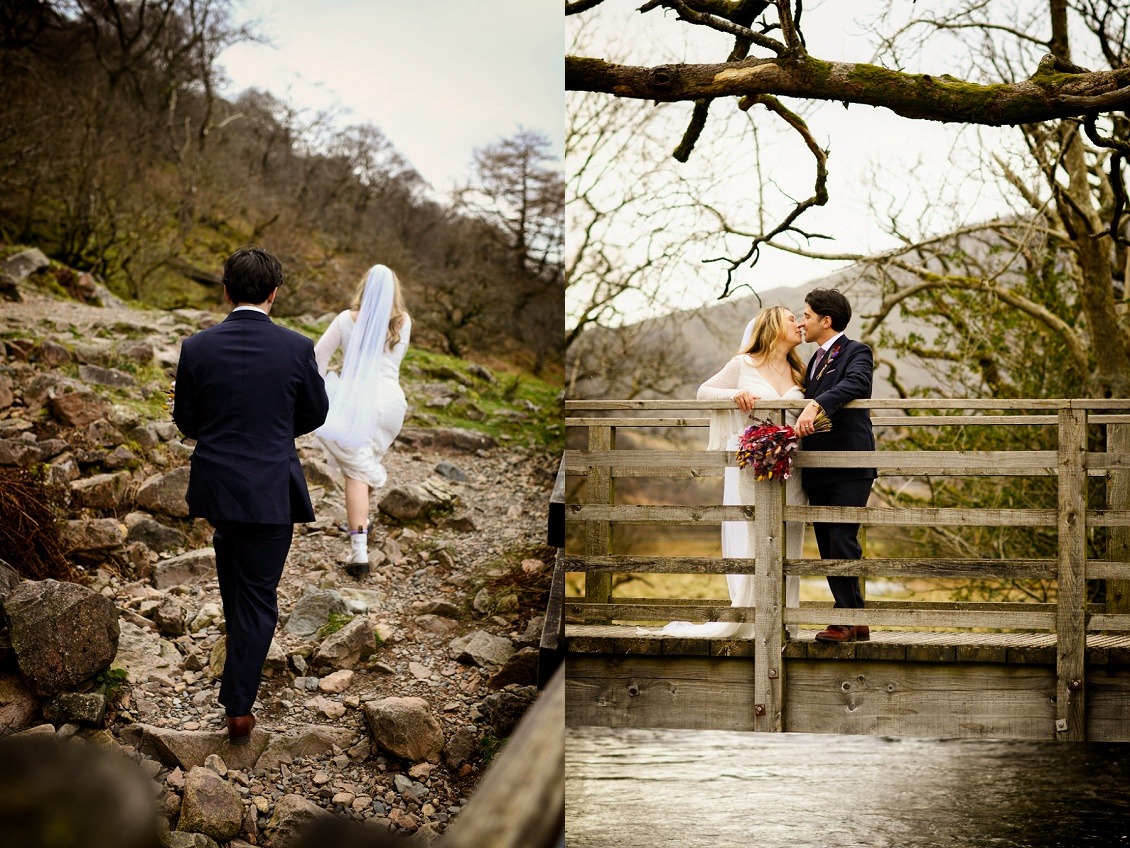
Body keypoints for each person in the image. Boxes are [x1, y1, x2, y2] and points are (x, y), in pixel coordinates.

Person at [173, 247, 329, 744]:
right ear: (273, 294)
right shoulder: (297, 347)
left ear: (225, 290)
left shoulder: (196, 347)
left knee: (235, 580)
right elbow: (316, 413)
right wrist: (277, 428)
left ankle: (236, 671)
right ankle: (238, 706)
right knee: (258, 595)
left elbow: (187, 422)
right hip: (269, 486)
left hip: (218, 484)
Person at [652, 306, 805, 639]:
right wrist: (735, 394)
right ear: (773, 325)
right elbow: (704, 391)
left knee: (792, 539)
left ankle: (785, 621)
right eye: (792, 318)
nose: (800, 323)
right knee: (756, 539)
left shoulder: (800, 372)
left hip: (794, 467)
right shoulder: (743, 364)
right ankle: (754, 616)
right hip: (756, 467)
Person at [313, 264, 412, 577]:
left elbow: (317, 358)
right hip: (393, 404)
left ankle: (358, 550)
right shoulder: (403, 322)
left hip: (359, 401)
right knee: (362, 463)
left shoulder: (346, 319)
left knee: (356, 471)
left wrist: (319, 391)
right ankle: (361, 525)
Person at [794, 287, 877, 643]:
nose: (802, 322)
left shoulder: (857, 351)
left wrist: (816, 405)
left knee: (843, 538)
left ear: (826, 321)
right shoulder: (812, 361)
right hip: (818, 465)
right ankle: (856, 620)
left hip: (849, 462)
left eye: (807, 316)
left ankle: (844, 620)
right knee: (828, 543)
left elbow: (858, 383)